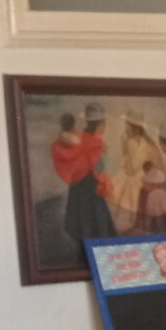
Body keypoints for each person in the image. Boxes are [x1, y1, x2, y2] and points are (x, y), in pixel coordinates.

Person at [54, 101, 114, 249]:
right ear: (101, 124)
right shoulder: (95, 143)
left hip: (78, 187)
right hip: (90, 188)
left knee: (83, 227)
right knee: (96, 227)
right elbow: (99, 167)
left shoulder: (80, 138)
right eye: (104, 123)